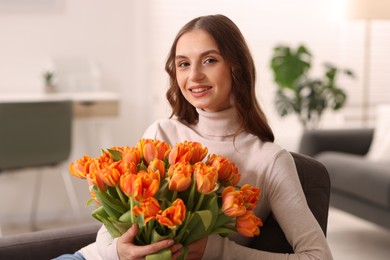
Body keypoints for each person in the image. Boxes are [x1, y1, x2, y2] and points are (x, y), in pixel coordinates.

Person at [60, 14, 333, 259]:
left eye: (209, 60)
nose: (194, 76)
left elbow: (318, 256)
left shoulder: (269, 160)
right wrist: (117, 251)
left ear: (236, 67)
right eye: (183, 64)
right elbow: (113, 224)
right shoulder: (161, 134)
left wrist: (218, 251)